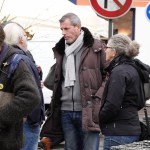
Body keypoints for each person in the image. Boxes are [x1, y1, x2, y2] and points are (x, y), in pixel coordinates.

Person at [40, 12, 107, 150]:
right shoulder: (61, 50)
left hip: (88, 109)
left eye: (66, 28)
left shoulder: (96, 48)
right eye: (61, 29)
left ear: (77, 27)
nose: (63, 33)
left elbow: (108, 75)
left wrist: (98, 97)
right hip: (65, 110)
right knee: (70, 148)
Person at [99, 34, 150, 149]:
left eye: (107, 48)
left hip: (118, 133)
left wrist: (99, 118)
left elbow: (112, 104)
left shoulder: (119, 71)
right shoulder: (132, 68)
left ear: (114, 52)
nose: (105, 51)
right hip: (130, 128)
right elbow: (140, 102)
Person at [3, 22, 45, 150]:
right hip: (27, 120)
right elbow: (29, 95)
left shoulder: (8, 58)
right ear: (21, 39)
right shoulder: (21, 58)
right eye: (26, 36)